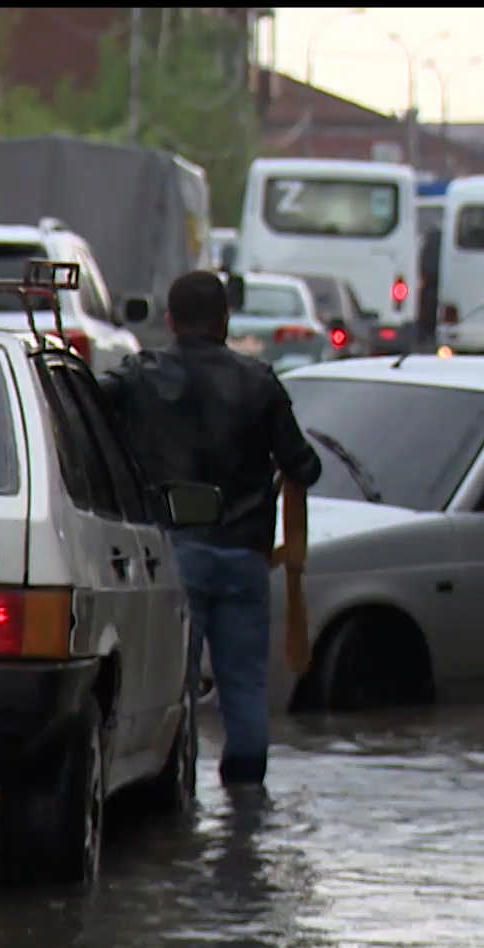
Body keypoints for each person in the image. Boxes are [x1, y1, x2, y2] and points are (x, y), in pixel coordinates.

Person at [95, 270, 323, 787]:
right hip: (244, 556)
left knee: (172, 684)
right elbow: (304, 468)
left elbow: (87, 412)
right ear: (225, 320)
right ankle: (247, 802)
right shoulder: (261, 382)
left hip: (171, 556)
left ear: (171, 320)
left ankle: (177, 792)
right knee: (244, 684)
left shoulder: (138, 376)